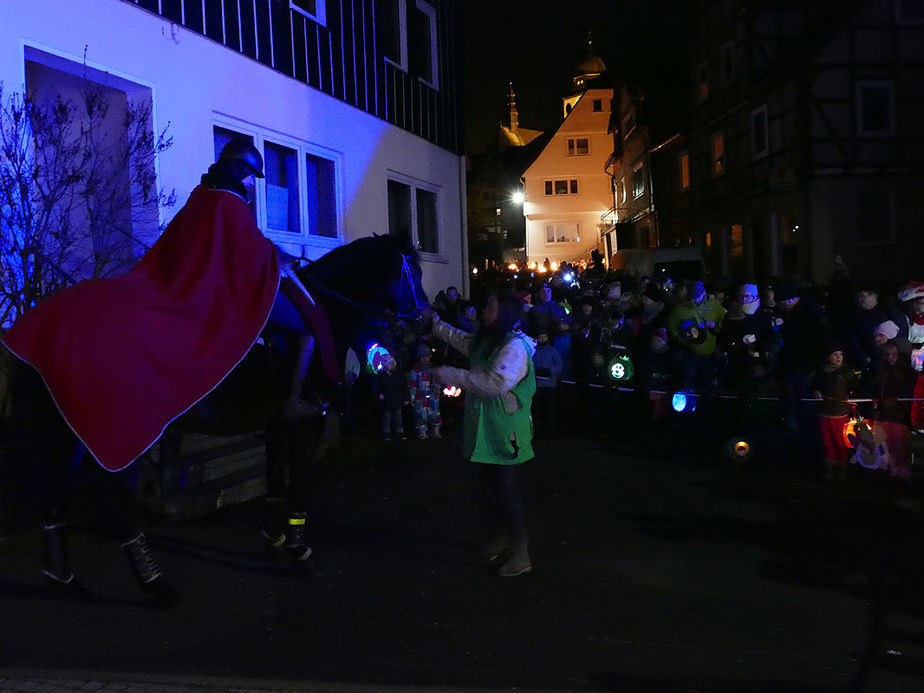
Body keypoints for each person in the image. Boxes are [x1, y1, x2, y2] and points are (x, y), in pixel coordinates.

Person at [429, 293, 537, 577]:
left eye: (491, 306)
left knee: (506, 492)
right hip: (485, 431)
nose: (484, 310)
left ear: (504, 314)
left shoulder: (514, 347)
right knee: (489, 491)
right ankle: (501, 538)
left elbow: (496, 382)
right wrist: (435, 324)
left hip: (506, 434)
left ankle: (520, 552)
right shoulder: (488, 341)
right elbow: (461, 340)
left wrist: (450, 375)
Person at [810, 340, 858, 481]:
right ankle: (829, 467)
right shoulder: (821, 372)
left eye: (840, 354)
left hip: (840, 413)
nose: (838, 357)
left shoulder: (847, 372)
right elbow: (814, 385)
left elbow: (855, 388)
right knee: (827, 442)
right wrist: (816, 391)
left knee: (840, 442)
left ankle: (842, 467)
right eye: (834, 354)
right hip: (824, 412)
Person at [408, 344, 442, 439]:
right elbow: (413, 384)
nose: (425, 359)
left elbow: (438, 381)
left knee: (435, 414)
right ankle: (422, 432)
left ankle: (436, 430)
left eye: (427, 357)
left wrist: (437, 390)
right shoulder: (415, 371)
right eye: (423, 357)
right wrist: (412, 396)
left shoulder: (434, 370)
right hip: (420, 396)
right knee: (421, 415)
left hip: (433, 395)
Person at [372, 354, 408, 441]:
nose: (392, 366)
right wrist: (379, 393)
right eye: (390, 364)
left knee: (398, 417)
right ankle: (386, 433)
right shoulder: (381, 376)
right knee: (387, 417)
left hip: (396, 399)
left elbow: (403, 386)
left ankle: (399, 432)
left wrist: (405, 398)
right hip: (387, 400)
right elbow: (377, 386)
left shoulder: (398, 375)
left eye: (393, 364)